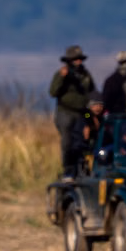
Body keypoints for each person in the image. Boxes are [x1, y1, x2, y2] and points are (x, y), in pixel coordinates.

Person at [49, 45, 96, 179]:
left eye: (80, 59)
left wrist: (90, 119)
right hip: (66, 113)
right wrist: (61, 77)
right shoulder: (61, 74)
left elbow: (92, 95)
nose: (78, 62)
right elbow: (52, 92)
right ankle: (68, 171)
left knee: (85, 142)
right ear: (69, 61)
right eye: (75, 59)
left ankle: (82, 169)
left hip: (84, 113)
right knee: (67, 142)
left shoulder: (86, 75)